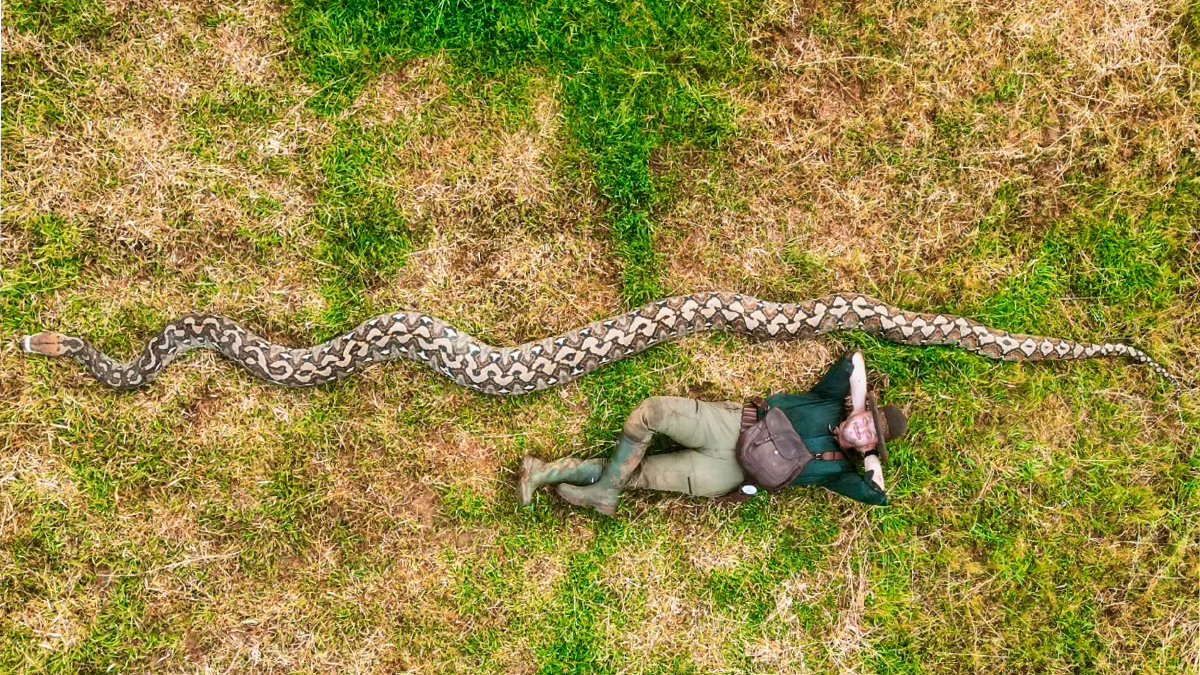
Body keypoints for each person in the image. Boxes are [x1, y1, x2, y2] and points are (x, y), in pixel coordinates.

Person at [517, 350, 908, 515]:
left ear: (871, 443)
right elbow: (855, 360)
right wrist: (859, 406)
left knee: (638, 473)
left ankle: (544, 473)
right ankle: (603, 491)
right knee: (652, 412)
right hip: (732, 424)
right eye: (867, 418)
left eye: (870, 432)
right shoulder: (829, 398)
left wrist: (869, 455)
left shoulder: (842, 472)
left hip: (733, 475)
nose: (862, 426)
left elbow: (879, 495)